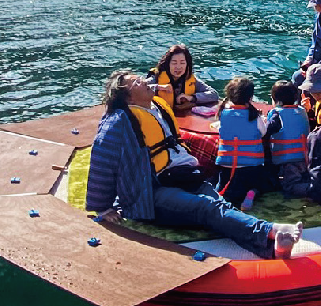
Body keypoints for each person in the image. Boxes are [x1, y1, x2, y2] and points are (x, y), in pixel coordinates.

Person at [86, 70, 301, 259]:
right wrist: (102, 206)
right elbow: (103, 159)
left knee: (221, 207)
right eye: (137, 82)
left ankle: (273, 250)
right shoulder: (119, 120)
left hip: (184, 176)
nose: (144, 81)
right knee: (206, 207)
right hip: (151, 190)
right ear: (128, 96)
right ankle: (271, 230)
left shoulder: (156, 107)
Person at [214, 77, 269, 207]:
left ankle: (218, 195)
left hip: (226, 165)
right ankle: (251, 193)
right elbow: (263, 132)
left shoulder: (223, 114)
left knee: (222, 186)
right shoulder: (254, 116)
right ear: (250, 97)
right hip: (250, 167)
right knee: (260, 182)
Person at [263, 80, 312, 199]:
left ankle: (313, 189)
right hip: (305, 160)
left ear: (275, 100)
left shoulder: (276, 115)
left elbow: (264, 133)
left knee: (290, 186)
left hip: (288, 163)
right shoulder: (302, 111)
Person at [154, 44, 220, 117]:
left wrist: (192, 97)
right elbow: (139, 89)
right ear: (168, 64)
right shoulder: (156, 78)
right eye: (174, 63)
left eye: (182, 63)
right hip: (160, 116)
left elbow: (214, 95)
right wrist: (159, 87)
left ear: (187, 64)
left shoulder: (190, 79)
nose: (178, 67)